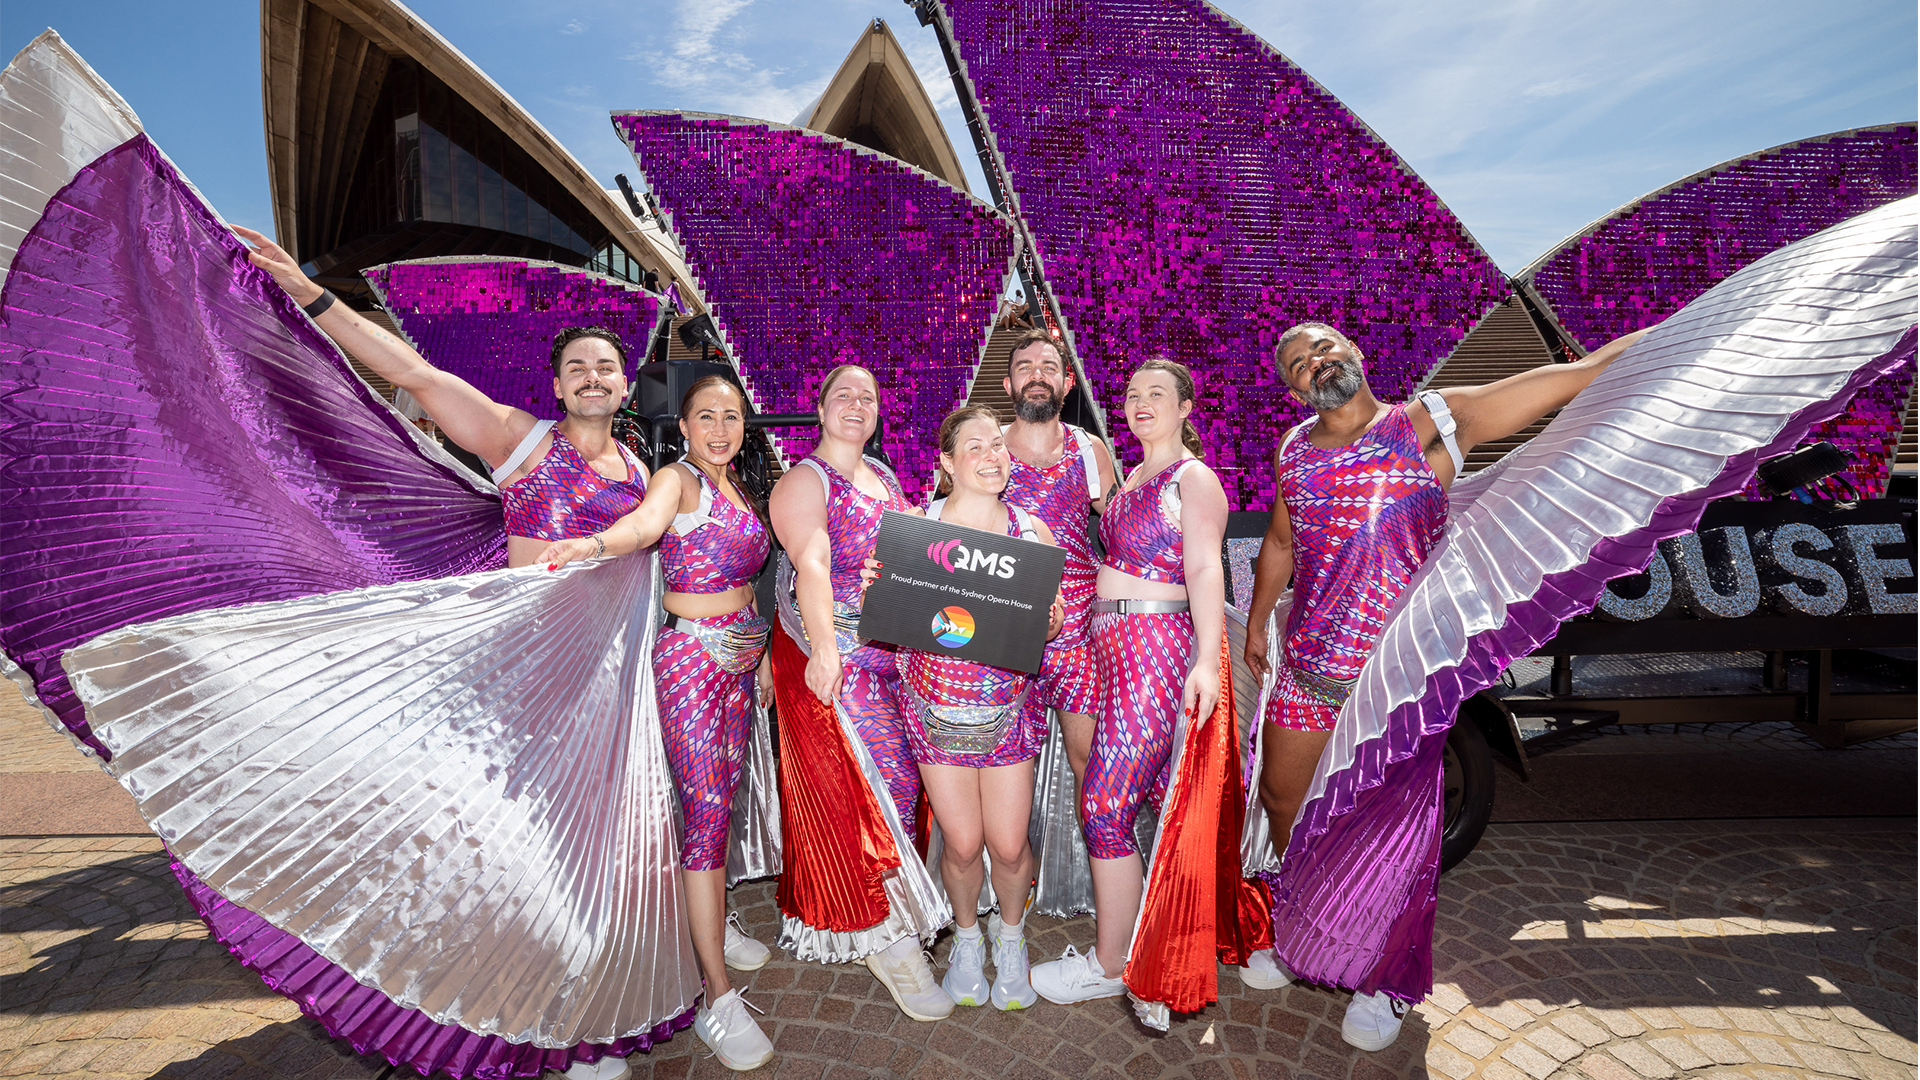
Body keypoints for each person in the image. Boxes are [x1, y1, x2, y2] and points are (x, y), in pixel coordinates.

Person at [235, 224, 658, 1080]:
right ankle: (513, 1013)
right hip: (521, 687)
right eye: (575, 366)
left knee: (585, 857)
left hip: (604, 698)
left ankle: (572, 1012)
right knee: (510, 857)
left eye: (604, 368)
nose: (591, 377)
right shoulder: (518, 439)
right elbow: (414, 375)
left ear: (623, 385)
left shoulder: (642, 475)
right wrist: (312, 297)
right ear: (556, 384)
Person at [1241, 320, 1649, 1052]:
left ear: (1358, 353)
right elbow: (1280, 541)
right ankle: (1302, 927)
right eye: (1298, 362)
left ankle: (1388, 980)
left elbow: (1569, 381)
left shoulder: (1430, 421)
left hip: (1396, 675)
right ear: (1292, 385)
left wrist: (1657, 340)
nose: (1315, 363)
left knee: (1394, 833)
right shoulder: (1294, 449)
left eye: (1324, 348)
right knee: (1283, 801)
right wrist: (1256, 622)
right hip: (1308, 667)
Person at [541, 376, 775, 1072]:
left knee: (718, 808)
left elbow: (750, 581)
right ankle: (716, 997)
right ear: (686, 424)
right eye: (708, 416)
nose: (721, 428)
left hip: (739, 659)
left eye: (732, 416)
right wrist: (590, 547)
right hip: (691, 664)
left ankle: (708, 920)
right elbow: (644, 529)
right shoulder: (676, 479)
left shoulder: (736, 486)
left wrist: (761, 659)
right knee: (704, 814)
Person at [1029, 357, 1229, 1008]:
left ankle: (1114, 963)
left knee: (1106, 807)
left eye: (1157, 394)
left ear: (1184, 408)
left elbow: (1202, 568)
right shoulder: (1130, 476)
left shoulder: (1192, 477)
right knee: (1151, 803)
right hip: (1114, 650)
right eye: (1133, 394)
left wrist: (1205, 658)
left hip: (1154, 647)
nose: (1141, 402)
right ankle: (1165, 944)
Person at [766, 364, 953, 1021]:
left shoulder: (886, 478)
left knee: (904, 788)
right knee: (883, 790)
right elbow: (812, 562)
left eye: (868, 397)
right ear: (819, 409)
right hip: (842, 661)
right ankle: (890, 937)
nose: (856, 404)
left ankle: (890, 918)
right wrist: (822, 648)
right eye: (843, 394)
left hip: (895, 658)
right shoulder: (803, 480)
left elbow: (914, 560)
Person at [896, 405, 1065, 1011]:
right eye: (976, 445)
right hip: (936, 711)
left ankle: (1012, 939)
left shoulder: (1032, 533)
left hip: (1008, 711)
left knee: (1011, 846)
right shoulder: (917, 527)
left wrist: (1048, 622)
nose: (994, 454)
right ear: (946, 463)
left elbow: (1051, 624)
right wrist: (878, 586)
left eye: (999, 443)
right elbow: (899, 621)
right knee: (963, 845)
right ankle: (967, 940)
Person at [998, 331, 1116, 808]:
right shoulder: (987, 450)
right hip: (1003, 623)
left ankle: (1101, 867)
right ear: (1007, 384)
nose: (1037, 376)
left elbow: (1118, 531)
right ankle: (1008, 880)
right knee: (1001, 766)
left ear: (1067, 383)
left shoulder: (1089, 450)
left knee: (1089, 756)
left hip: (1078, 629)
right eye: (1025, 367)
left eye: (1048, 366)